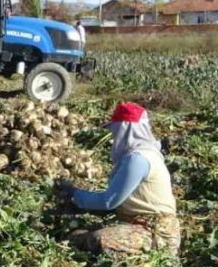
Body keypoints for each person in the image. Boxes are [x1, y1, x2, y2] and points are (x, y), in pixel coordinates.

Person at [58, 102, 180, 256]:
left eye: (115, 131)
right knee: (81, 233)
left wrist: (75, 194)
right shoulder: (146, 153)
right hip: (137, 224)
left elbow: (109, 201)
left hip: (157, 233)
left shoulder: (138, 159)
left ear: (125, 129)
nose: (114, 137)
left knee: (96, 238)